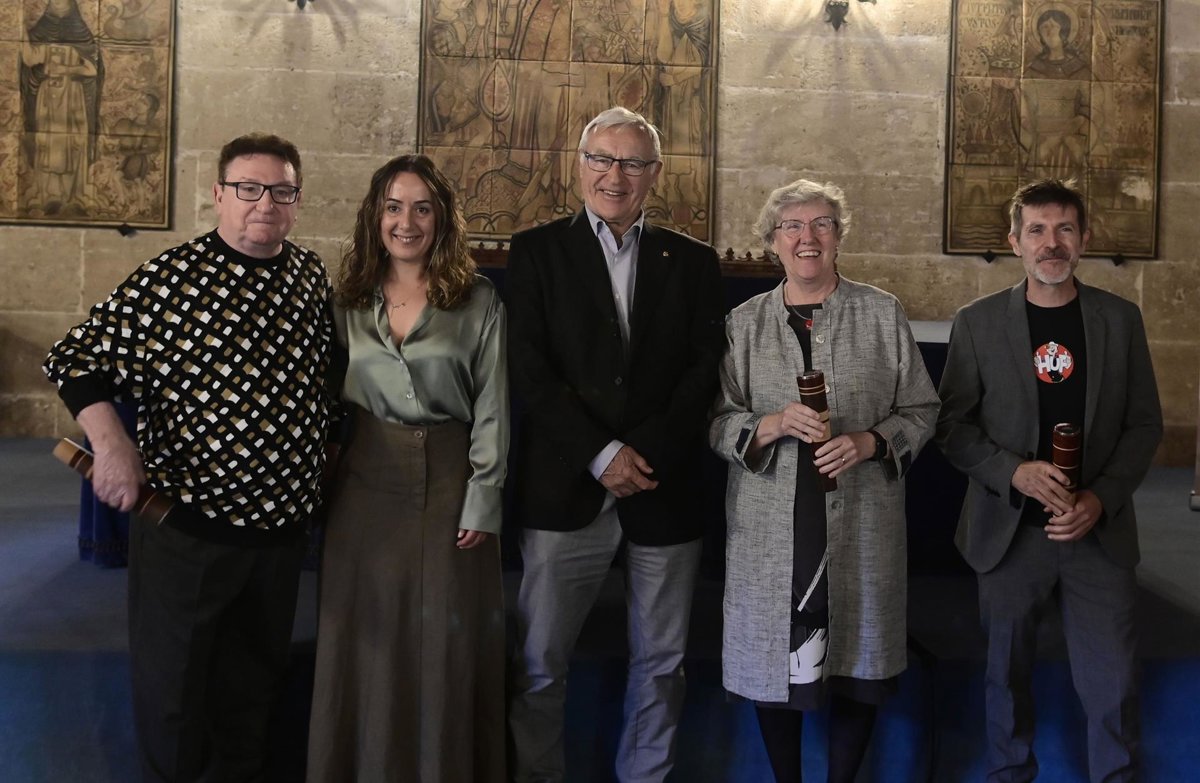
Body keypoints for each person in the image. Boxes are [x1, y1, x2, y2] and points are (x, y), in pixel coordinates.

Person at [42, 133, 333, 781]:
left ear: (297, 200)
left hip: (278, 538)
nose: (265, 203)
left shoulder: (309, 274)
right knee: (174, 698)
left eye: (281, 190)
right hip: (187, 530)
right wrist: (111, 444)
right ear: (219, 195)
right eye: (249, 188)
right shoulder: (170, 279)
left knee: (251, 697)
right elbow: (73, 358)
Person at [506, 106, 725, 783]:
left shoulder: (694, 261)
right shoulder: (536, 252)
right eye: (602, 158)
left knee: (661, 665)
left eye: (632, 162)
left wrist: (641, 454)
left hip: (664, 488)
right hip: (565, 488)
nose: (615, 175)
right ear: (579, 166)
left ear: (655, 173)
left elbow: (703, 372)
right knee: (539, 663)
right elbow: (529, 370)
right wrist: (601, 455)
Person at [708, 179, 939, 782]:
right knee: (775, 663)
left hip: (861, 517)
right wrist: (772, 423)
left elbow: (922, 409)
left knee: (858, 662)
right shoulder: (744, 323)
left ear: (839, 237)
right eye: (792, 226)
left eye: (821, 225)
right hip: (773, 524)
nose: (807, 237)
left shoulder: (881, 312)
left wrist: (871, 442)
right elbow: (717, 422)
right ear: (772, 241)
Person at [937, 179, 1162, 782]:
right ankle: (1009, 775)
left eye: (1064, 228)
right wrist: (1012, 471)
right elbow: (952, 427)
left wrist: (1101, 498)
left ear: (1084, 238)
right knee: (1005, 677)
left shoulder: (1120, 320)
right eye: (1036, 229)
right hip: (1008, 533)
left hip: (1097, 533)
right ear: (1015, 241)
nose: (1051, 242)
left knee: (1114, 682)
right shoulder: (978, 323)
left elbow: (1144, 425)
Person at [306, 154, 508, 782]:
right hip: (365, 481)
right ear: (375, 215)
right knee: (362, 641)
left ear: (442, 218)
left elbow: (494, 407)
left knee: (446, 643)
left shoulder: (478, 299)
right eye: (394, 207)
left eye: (423, 208)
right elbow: (323, 398)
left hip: (452, 481)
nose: (407, 222)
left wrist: (483, 497)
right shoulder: (347, 299)